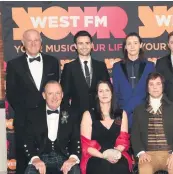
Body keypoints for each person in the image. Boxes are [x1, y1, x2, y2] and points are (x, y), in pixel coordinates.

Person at [6, 29, 60, 173]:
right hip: (24, 120)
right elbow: (11, 94)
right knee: (24, 161)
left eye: (36, 40)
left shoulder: (53, 62)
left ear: (41, 42)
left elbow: (56, 90)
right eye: (29, 40)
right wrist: (29, 113)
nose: (33, 43)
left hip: (48, 119)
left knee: (51, 160)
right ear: (23, 43)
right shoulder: (13, 65)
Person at [131, 72, 173, 174]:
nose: (155, 87)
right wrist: (141, 153)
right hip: (148, 155)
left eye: (158, 84)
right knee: (145, 170)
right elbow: (135, 135)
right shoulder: (139, 110)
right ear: (147, 88)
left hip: (170, 154)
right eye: (151, 84)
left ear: (163, 86)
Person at [23, 81, 81, 174]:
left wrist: (72, 159)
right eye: (50, 93)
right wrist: (35, 159)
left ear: (62, 95)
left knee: (75, 171)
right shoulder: (33, 115)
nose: (55, 97)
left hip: (64, 159)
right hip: (40, 158)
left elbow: (76, 139)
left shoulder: (72, 114)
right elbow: (28, 141)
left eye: (58, 93)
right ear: (44, 95)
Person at [80, 81, 132, 174]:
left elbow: (123, 141)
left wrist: (115, 154)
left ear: (112, 93)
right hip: (96, 156)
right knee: (102, 169)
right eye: (101, 91)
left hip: (117, 154)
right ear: (97, 94)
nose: (104, 94)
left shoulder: (119, 114)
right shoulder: (88, 115)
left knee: (121, 168)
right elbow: (87, 146)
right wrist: (104, 156)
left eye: (107, 90)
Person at [61, 30, 110, 121]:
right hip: (76, 118)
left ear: (92, 45)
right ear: (75, 46)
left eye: (87, 43)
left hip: (99, 116)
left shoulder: (101, 66)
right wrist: (66, 117)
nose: (84, 46)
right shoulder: (69, 68)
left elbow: (108, 91)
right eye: (80, 43)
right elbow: (64, 96)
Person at [112, 32, 155, 127]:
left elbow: (152, 92)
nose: (132, 46)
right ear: (125, 47)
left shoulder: (150, 66)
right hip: (123, 117)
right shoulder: (117, 67)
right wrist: (118, 115)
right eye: (129, 44)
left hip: (144, 114)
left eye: (135, 43)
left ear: (140, 45)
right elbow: (115, 93)